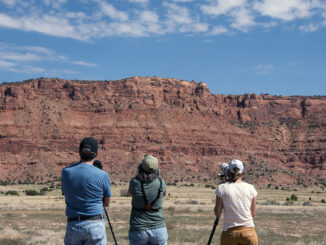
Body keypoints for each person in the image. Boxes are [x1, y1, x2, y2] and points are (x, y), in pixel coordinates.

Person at [62, 137, 112, 245]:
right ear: (96, 153)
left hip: (73, 224)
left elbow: (66, 194)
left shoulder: (66, 172)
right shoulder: (103, 175)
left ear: (79, 151)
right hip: (95, 224)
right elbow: (106, 203)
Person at [214, 159, 258, 245]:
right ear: (242, 173)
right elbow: (253, 214)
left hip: (229, 234)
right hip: (249, 233)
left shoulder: (222, 188)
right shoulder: (251, 188)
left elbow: (217, 213)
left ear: (229, 173)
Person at [128, 155, 168, 245]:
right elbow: (163, 195)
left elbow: (129, 194)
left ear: (141, 168)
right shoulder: (162, 183)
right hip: (159, 228)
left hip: (138, 228)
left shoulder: (134, 182)